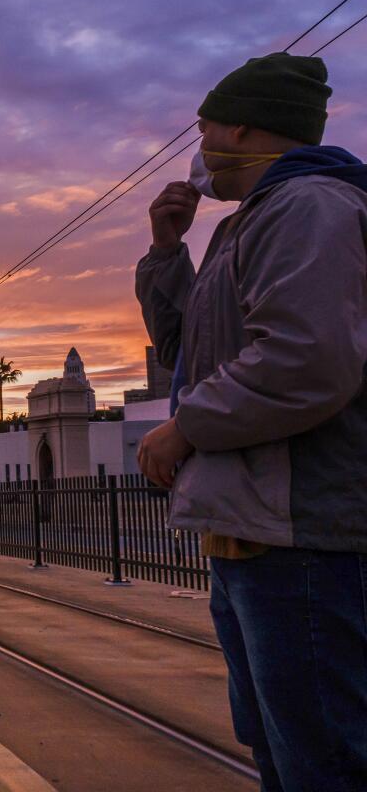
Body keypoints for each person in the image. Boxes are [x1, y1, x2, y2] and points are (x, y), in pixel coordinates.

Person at [134, 52, 367, 791]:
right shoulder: (245, 226)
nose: (196, 147)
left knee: (322, 758)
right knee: (281, 746)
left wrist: (187, 427)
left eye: (202, 127)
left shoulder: (310, 208)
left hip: (302, 534)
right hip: (252, 534)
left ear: (238, 125)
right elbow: (185, 352)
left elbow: (306, 359)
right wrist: (168, 252)